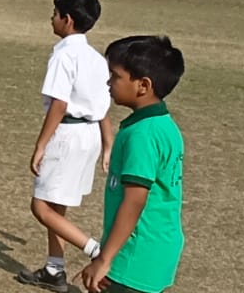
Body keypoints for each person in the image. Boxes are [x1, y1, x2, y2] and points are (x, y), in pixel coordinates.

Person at [18, 0, 112, 292]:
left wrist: (40, 145)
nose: (52, 19)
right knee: (57, 205)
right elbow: (103, 105)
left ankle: (97, 251)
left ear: (67, 20)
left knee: (41, 206)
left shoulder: (63, 55)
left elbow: (59, 104)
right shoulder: (96, 58)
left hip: (68, 135)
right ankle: (54, 269)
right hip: (90, 135)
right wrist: (107, 143)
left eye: (55, 13)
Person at [77, 36, 185, 293]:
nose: (108, 82)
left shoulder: (142, 134)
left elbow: (135, 200)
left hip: (134, 257)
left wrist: (104, 259)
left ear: (143, 85)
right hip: (155, 250)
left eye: (115, 76)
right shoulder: (164, 125)